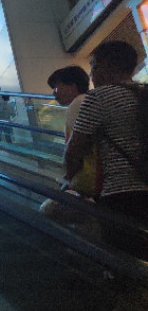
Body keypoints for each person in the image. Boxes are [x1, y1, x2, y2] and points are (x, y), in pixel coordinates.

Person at [65, 41, 148, 250]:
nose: (92, 74)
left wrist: (72, 180)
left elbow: (74, 149)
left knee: (125, 253)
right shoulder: (144, 95)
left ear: (110, 66)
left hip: (120, 193)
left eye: (94, 66)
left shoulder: (99, 97)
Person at [40, 66, 94, 219]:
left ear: (73, 86)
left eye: (56, 87)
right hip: (96, 177)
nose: (54, 93)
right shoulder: (87, 101)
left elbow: (76, 146)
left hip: (88, 177)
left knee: (48, 210)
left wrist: (69, 177)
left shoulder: (78, 104)